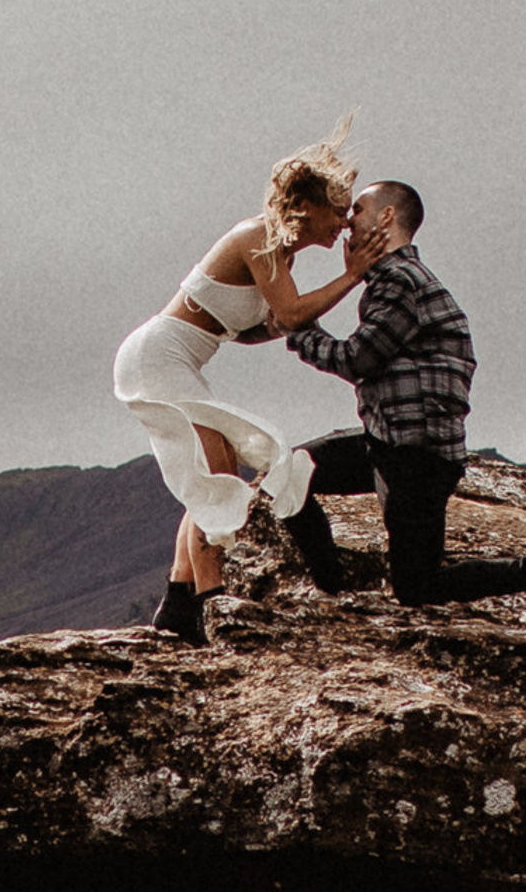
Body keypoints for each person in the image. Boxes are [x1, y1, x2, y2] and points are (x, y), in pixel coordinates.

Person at [116, 122, 370, 643]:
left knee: (215, 474)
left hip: (174, 359)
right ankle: (213, 609)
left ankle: (179, 607)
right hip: (157, 356)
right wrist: (353, 274)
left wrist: (284, 323)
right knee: (216, 477)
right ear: (306, 204)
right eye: (338, 210)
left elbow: (254, 330)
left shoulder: (281, 252)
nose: (344, 224)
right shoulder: (258, 237)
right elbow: (293, 311)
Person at [282, 182, 526, 617]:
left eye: (360, 209)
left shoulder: (401, 281)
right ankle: (335, 591)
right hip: (389, 444)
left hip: (417, 457)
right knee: (292, 472)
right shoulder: (392, 281)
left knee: (418, 586)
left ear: (387, 218)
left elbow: (356, 359)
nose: (349, 220)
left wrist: (296, 328)